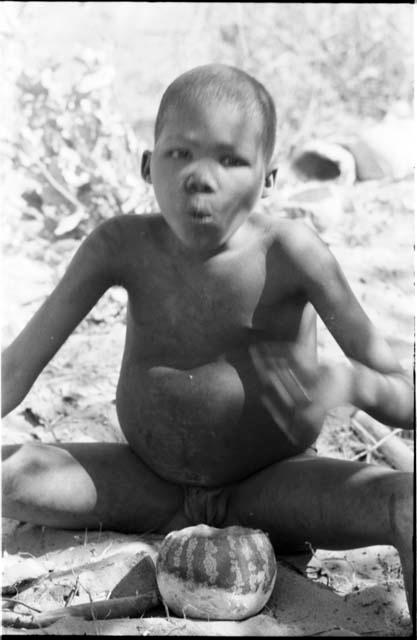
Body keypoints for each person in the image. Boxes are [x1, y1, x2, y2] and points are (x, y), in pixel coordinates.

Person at [2, 64, 414, 617]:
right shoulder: (118, 246)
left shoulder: (292, 252)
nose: (201, 176)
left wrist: (348, 382)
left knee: (406, 504)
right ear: (148, 166)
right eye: (180, 154)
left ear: (268, 178)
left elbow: (404, 398)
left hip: (274, 489)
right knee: (10, 476)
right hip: (145, 484)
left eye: (230, 159)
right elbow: (13, 372)